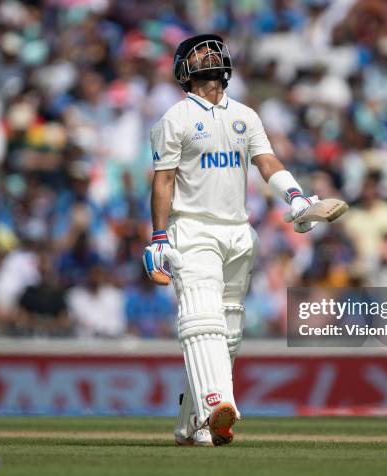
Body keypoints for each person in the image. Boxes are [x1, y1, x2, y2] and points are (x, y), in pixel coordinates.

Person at [142, 34, 345, 447]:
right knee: (202, 320)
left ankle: (192, 424)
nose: (210, 55)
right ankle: (218, 403)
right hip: (192, 227)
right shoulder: (175, 119)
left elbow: (267, 161)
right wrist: (159, 236)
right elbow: (163, 181)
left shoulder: (246, 116)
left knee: (230, 329)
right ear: (183, 70)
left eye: (214, 49)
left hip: (238, 230)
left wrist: (297, 198)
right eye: (199, 51)